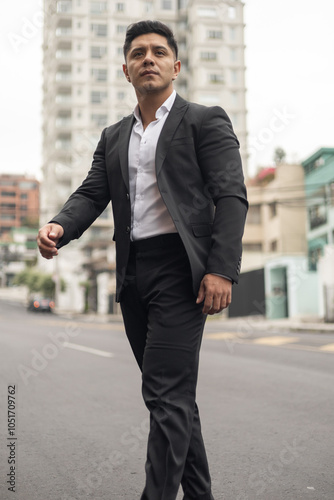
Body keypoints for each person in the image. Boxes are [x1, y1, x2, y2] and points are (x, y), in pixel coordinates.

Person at [37, 20, 248, 500]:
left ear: (175, 66)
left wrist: (221, 268)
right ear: (125, 70)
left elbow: (231, 196)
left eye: (157, 52)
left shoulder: (204, 119)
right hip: (134, 273)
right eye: (137, 54)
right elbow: (92, 194)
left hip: (183, 270)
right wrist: (59, 227)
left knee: (164, 393)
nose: (147, 58)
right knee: (172, 397)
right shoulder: (114, 136)